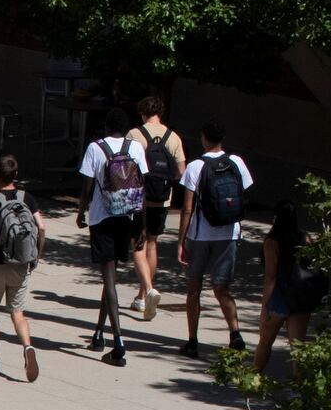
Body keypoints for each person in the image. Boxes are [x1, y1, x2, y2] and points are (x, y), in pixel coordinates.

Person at [173, 124, 253, 349]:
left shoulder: (196, 166)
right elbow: (241, 194)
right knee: (221, 288)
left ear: (203, 139)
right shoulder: (236, 162)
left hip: (200, 235)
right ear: (222, 139)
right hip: (229, 233)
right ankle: (235, 333)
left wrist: (181, 241)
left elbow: (187, 208)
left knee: (194, 289)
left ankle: (192, 340)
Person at [76, 113, 145, 364]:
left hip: (101, 218)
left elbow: (86, 186)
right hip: (126, 217)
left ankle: (118, 342)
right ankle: (98, 333)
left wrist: (81, 211)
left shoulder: (96, 148)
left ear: (105, 127)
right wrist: (141, 227)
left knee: (109, 279)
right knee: (111, 276)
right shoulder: (135, 147)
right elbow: (141, 188)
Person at [0, 153, 45, 380]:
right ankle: (27, 347)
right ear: (16, 175)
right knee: (18, 313)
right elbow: (41, 228)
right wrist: (35, 256)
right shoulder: (27, 198)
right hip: (22, 264)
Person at [256, 178, 328, 380]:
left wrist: (264, 306)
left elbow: (271, 276)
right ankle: (299, 386)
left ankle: (254, 376)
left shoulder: (272, 243)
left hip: (280, 295)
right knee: (298, 346)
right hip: (300, 295)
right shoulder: (305, 237)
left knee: (266, 340)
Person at [128, 93, 188, 317]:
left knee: (137, 244)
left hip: (138, 198)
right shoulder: (173, 137)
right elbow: (182, 172)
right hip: (162, 198)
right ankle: (143, 295)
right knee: (152, 242)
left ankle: (149, 291)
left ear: (143, 113)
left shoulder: (135, 134)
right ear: (160, 113)